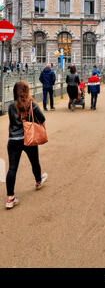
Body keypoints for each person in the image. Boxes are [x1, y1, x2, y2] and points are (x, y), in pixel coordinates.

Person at [6, 81, 47, 209]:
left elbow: (12, 121)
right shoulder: (31, 104)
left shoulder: (11, 106)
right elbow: (42, 118)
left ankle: (10, 198)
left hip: (13, 139)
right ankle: (38, 182)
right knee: (35, 162)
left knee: (12, 168)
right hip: (28, 138)